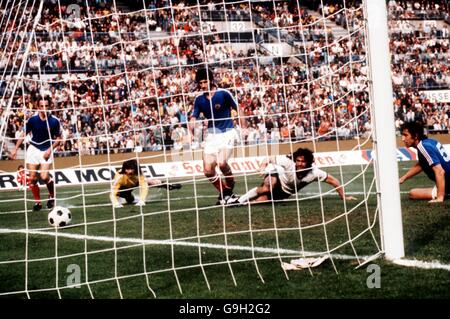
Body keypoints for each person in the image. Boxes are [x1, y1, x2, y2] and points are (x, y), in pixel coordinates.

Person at [189, 67, 246, 205]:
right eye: (200, 83)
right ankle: (227, 194)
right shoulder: (199, 100)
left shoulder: (223, 93)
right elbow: (193, 117)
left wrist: (243, 127)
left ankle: (228, 189)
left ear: (211, 80)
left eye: (205, 82)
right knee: (208, 171)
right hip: (212, 136)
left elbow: (238, 109)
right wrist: (190, 132)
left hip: (227, 132)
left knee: (222, 163)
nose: (203, 85)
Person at [234, 148, 357, 204]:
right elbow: (269, 158)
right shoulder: (288, 162)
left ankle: (244, 203)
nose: (300, 163)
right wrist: (262, 166)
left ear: (309, 162)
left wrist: (343, 197)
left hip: (284, 192)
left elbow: (334, 181)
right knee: (268, 186)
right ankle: (238, 201)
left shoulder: (314, 173)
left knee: (259, 202)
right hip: (276, 176)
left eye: (303, 161)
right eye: (298, 160)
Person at [9, 96, 61, 211]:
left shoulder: (54, 121)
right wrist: (15, 149)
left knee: (44, 176)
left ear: (50, 106)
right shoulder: (32, 120)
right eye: (41, 106)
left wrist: (50, 150)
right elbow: (23, 134)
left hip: (46, 150)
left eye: (46, 106)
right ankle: (38, 203)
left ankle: (52, 196)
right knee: (32, 179)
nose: (44, 108)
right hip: (33, 149)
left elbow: (59, 139)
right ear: (38, 107)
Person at [399, 121, 450, 202]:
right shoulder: (430, 141)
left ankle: (443, 193)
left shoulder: (423, 146)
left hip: (447, 186)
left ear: (415, 136)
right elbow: (422, 164)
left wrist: (440, 197)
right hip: (446, 182)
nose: (403, 139)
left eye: (405, 135)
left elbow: (440, 171)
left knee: (412, 193)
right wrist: (403, 178)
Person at [110, 159, 182, 208]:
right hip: (123, 189)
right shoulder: (119, 176)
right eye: (127, 169)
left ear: (135, 168)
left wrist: (142, 200)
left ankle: (168, 185)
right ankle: (129, 197)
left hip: (134, 183)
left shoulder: (138, 173)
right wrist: (115, 203)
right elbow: (113, 191)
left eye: (131, 169)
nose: (129, 171)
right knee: (130, 200)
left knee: (150, 181)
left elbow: (144, 187)